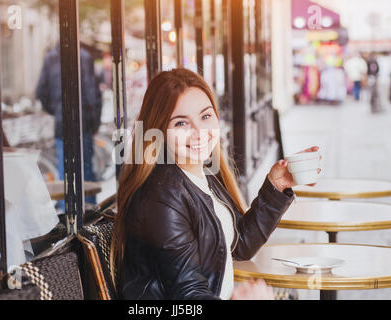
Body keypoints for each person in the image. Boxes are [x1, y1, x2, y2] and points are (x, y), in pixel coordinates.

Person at [110, 68, 321, 300]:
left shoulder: (200, 173)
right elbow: (189, 296)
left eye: (206, 116)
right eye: (181, 123)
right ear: (158, 131)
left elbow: (239, 247)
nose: (199, 132)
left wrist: (276, 186)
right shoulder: (161, 196)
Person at [36, 43, 102, 208]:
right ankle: (91, 218)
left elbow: (40, 92)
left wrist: (57, 111)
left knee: (66, 173)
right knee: (85, 171)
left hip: (62, 124)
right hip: (83, 123)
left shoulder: (50, 58)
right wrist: (94, 122)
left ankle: (69, 217)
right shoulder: (84, 57)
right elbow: (92, 94)